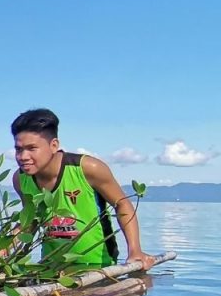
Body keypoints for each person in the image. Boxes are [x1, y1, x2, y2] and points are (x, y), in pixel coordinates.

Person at [11, 108, 155, 270]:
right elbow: (30, 220)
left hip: (99, 266)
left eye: (31, 148)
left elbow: (122, 204)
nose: (23, 156)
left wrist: (134, 250)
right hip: (50, 267)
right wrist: (0, 250)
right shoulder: (20, 179)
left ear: (54, 145)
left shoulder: (88, 168)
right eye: (18, 149)